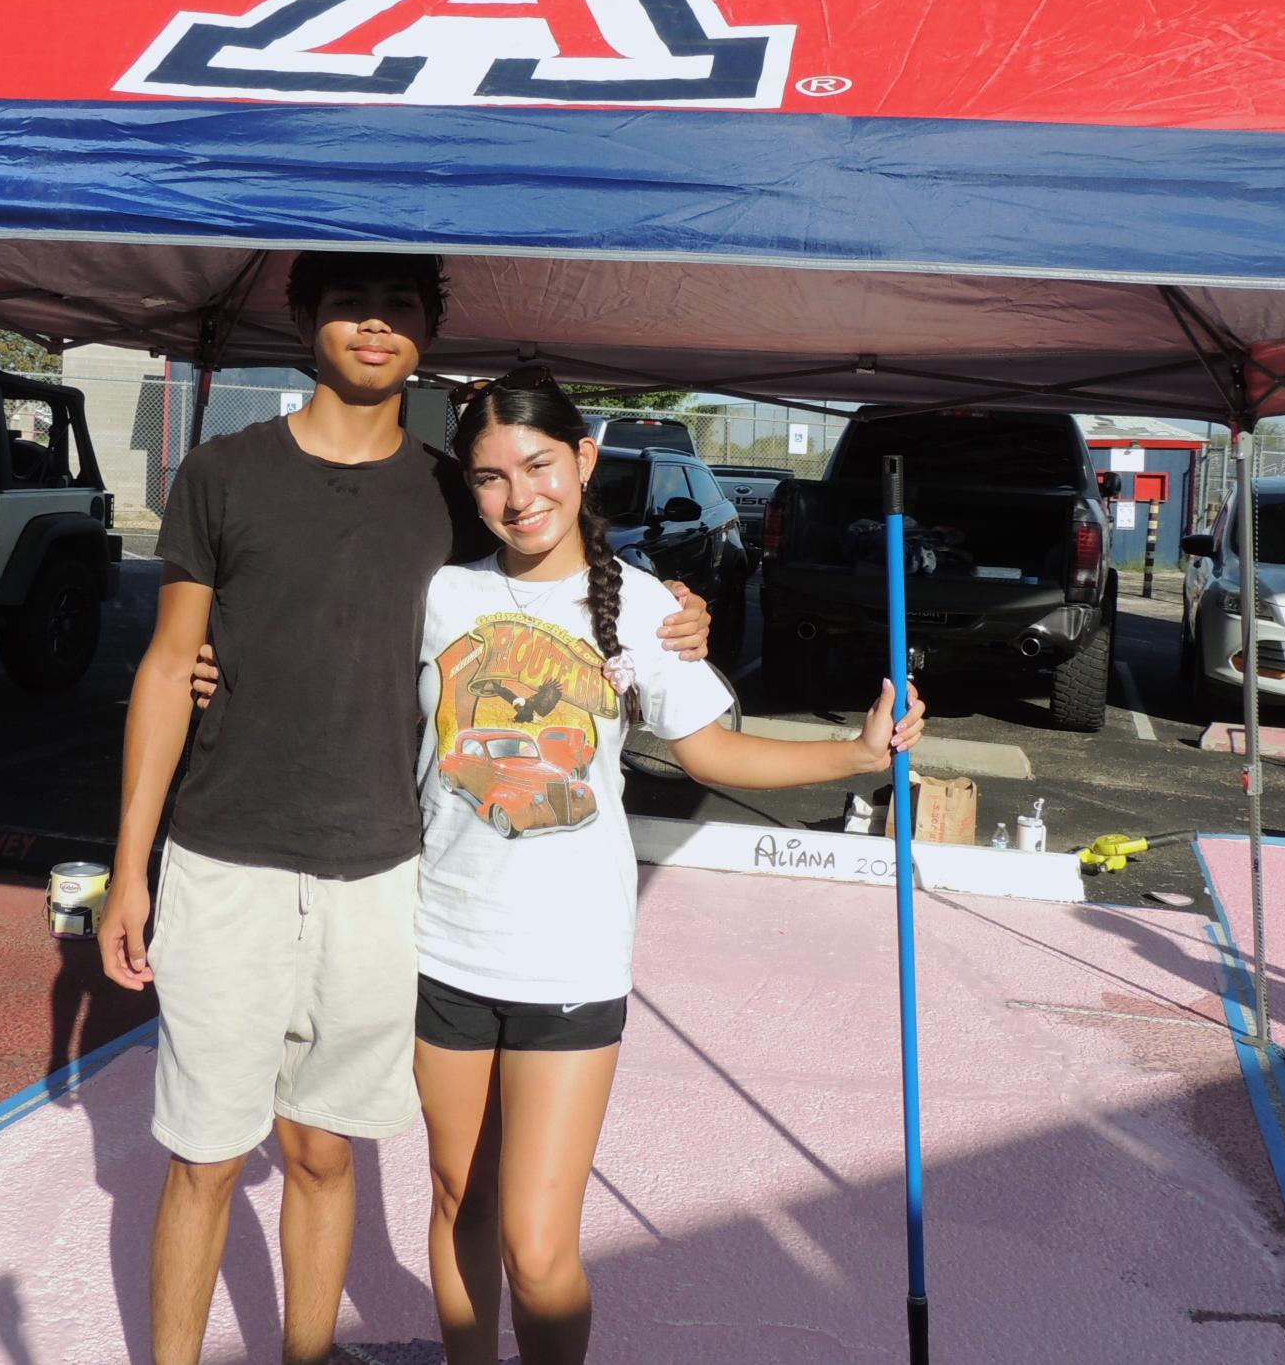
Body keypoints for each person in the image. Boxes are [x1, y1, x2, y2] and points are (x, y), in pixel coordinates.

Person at [97, 252, 713, 1365]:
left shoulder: (452, 492)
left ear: (429, 329)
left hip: (389, 875)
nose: (374, 328)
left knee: (327, 1154)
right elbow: (164, 664)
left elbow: (557, 574)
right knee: (204, 1161)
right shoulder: (222, 472)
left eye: (399, 310)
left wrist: (678, 616)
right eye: (347, 306)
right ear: (302, 319)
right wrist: (129, 867)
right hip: (222, 857)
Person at [414, 369, 924, 1365]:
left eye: (538, 465)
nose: (518, 496)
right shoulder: (435, 594)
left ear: (584, 462)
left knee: (537, 1241)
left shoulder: (648, 607)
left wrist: (857, 758)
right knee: (456, 1201)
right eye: (489, 477)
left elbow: (714, 752)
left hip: (569, 963)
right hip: (439, 943)